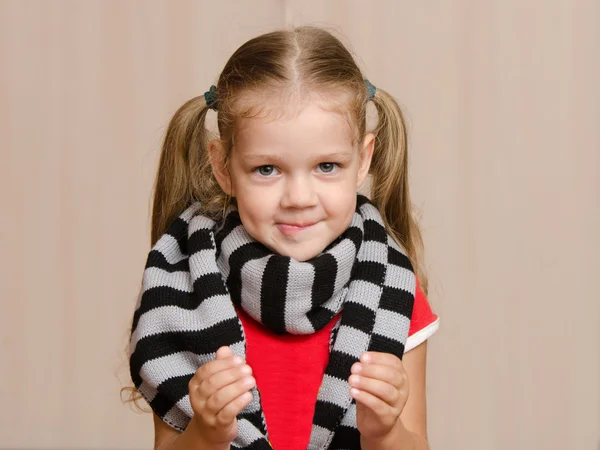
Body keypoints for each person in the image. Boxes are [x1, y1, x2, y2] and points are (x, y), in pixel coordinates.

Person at [127, 26, 439, 450]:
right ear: (223, 167)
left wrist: (384, 432)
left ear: (363, 159)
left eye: (327, 166)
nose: (298, 199)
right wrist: (206, 432)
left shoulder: (395, 291)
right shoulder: (182, 293)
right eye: (267, 169)